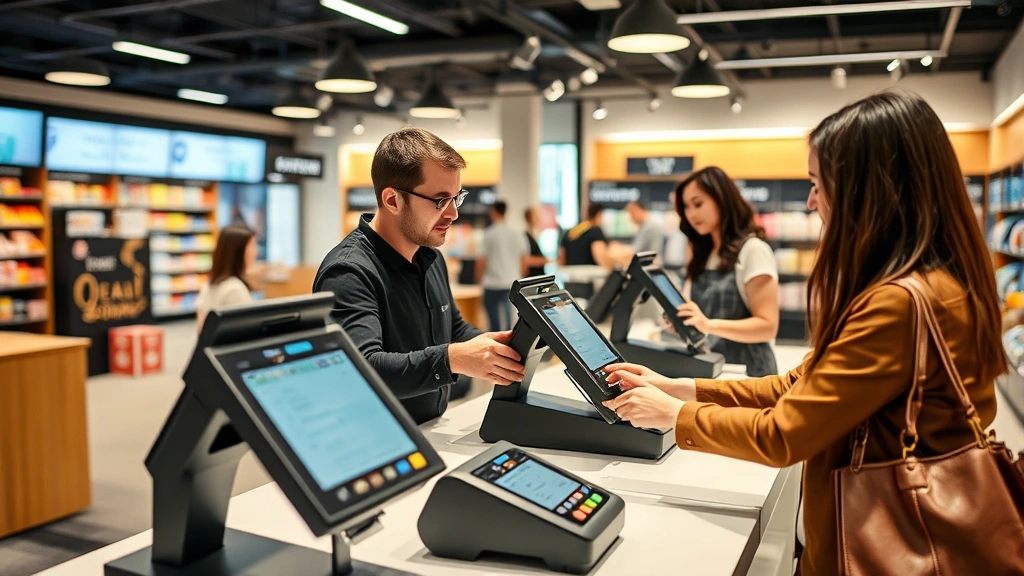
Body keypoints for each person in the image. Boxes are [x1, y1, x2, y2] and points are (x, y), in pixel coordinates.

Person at [600, 91, 1003, 576]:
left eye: (817, 183)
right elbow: (798, 386)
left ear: (868, 188)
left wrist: (674, 414)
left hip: (884, 550)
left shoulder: (897, 304)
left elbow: (784, 434)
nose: (811, 201)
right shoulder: (935, 283)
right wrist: (676, 387)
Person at [313, 127, 525, 424]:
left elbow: (453, 328)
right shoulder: (348, 272)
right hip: (380, 439)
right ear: (392, 200)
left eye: (456, 198)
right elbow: (362, 369)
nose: (453, 214)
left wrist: (501, 347)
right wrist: (454, 359)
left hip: (431, 428)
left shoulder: (431, 257)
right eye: (440, 201)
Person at [673, 166, 780, 377]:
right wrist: (680, 321)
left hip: (750, 377)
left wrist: (709, 325)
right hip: (710, 371)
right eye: (686, 207)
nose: (691, 214)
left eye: (698, 204)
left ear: (722, 199)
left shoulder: (753, 250)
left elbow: (767, 326)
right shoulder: (701, 253)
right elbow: (696, 315)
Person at [476, 200, 528, 331]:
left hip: (491, 283)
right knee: (508, 316)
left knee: (493, 320)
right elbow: (524, 259)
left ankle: (495, 341)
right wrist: (521, 276)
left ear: (493, 212)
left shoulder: (489, 233)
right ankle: (508, 339)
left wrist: (478, 280)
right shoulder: (517, 233)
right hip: (510, 282)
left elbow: (481, 260)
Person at [195, 225, 256, 332]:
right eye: (252, 246)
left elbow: (201, 328)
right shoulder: (235, 289)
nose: (256, 252)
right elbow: (246, 331)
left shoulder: (210, 283)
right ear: (239, 251)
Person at [559, 203, 608, 267]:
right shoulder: (595, 231)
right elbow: (600, 258)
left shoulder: (570, 232)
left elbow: (561, 258)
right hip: (590, 271)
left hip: (569, 271)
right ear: (599, 214)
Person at [523, 206, 550, 277]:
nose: (539, 218)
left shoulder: (536, 235)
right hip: (532, 277)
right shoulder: (525, 237)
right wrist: (545, 260)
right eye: (536, 216)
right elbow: (526, 260)